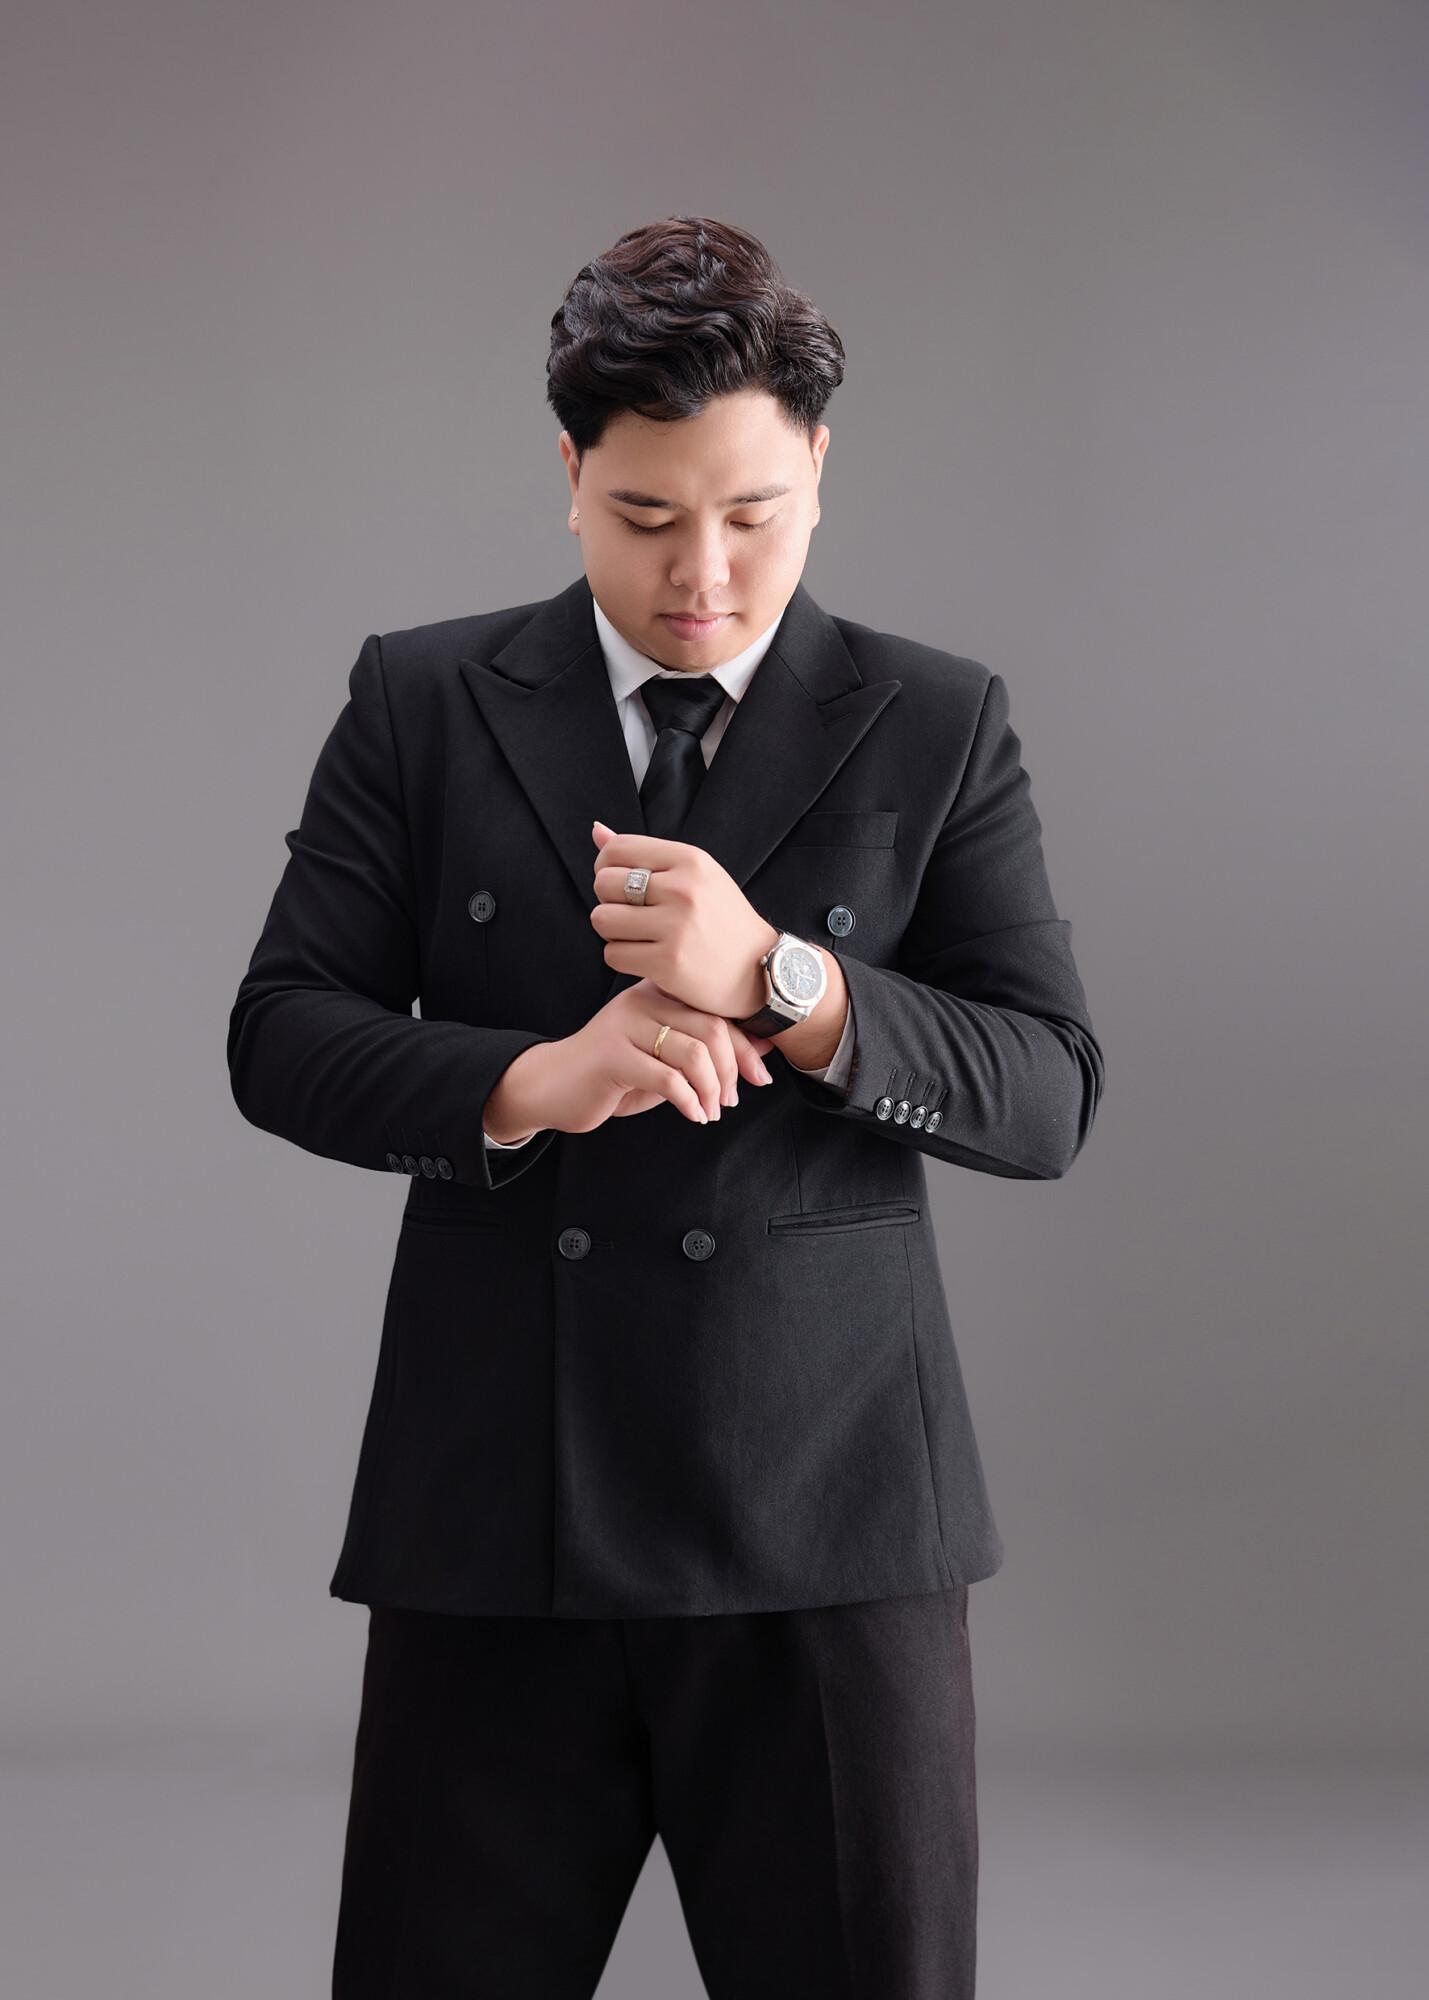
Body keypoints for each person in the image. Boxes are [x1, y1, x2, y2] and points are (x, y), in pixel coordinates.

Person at [228, 214, 1103, 2000]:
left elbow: (1046, 1092)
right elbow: (280, 1032)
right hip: (495, 1509)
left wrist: (783, 979)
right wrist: (532, 1081)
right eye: (642, 517)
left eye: (751, 514)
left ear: (819, 471)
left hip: (829, 1522)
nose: (700, 575)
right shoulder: (423, 698)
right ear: (568, 476)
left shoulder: (935, 720)